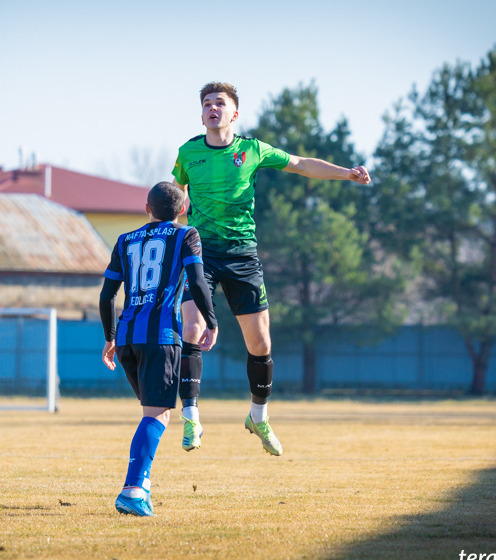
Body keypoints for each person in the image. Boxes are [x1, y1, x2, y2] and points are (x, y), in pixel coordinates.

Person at [172, 82, 372, 456]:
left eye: (219, 103)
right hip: (201, 253)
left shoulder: (252, 149)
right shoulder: (188, 152)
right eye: (206, 104)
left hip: (243, 255)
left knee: (261, 344)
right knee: (192, 328)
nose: (212, 108)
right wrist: (165, 214)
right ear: (201, 115)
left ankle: (258, 417)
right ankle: (191, 416)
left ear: (234, 113)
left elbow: (299, 164)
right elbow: (173, 196)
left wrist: (347, 173)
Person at [100, 181, 218, 517]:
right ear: (182, 210)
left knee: (155, 413)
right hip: (161, 336)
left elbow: (107, 295)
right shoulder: (186, 235)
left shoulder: (124, 240)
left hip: (126, 339)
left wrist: (109, 337)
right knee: (157, 415)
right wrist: (211, 321)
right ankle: (133, 490)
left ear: (147, 208)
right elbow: (197, 280)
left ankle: (143, 488)